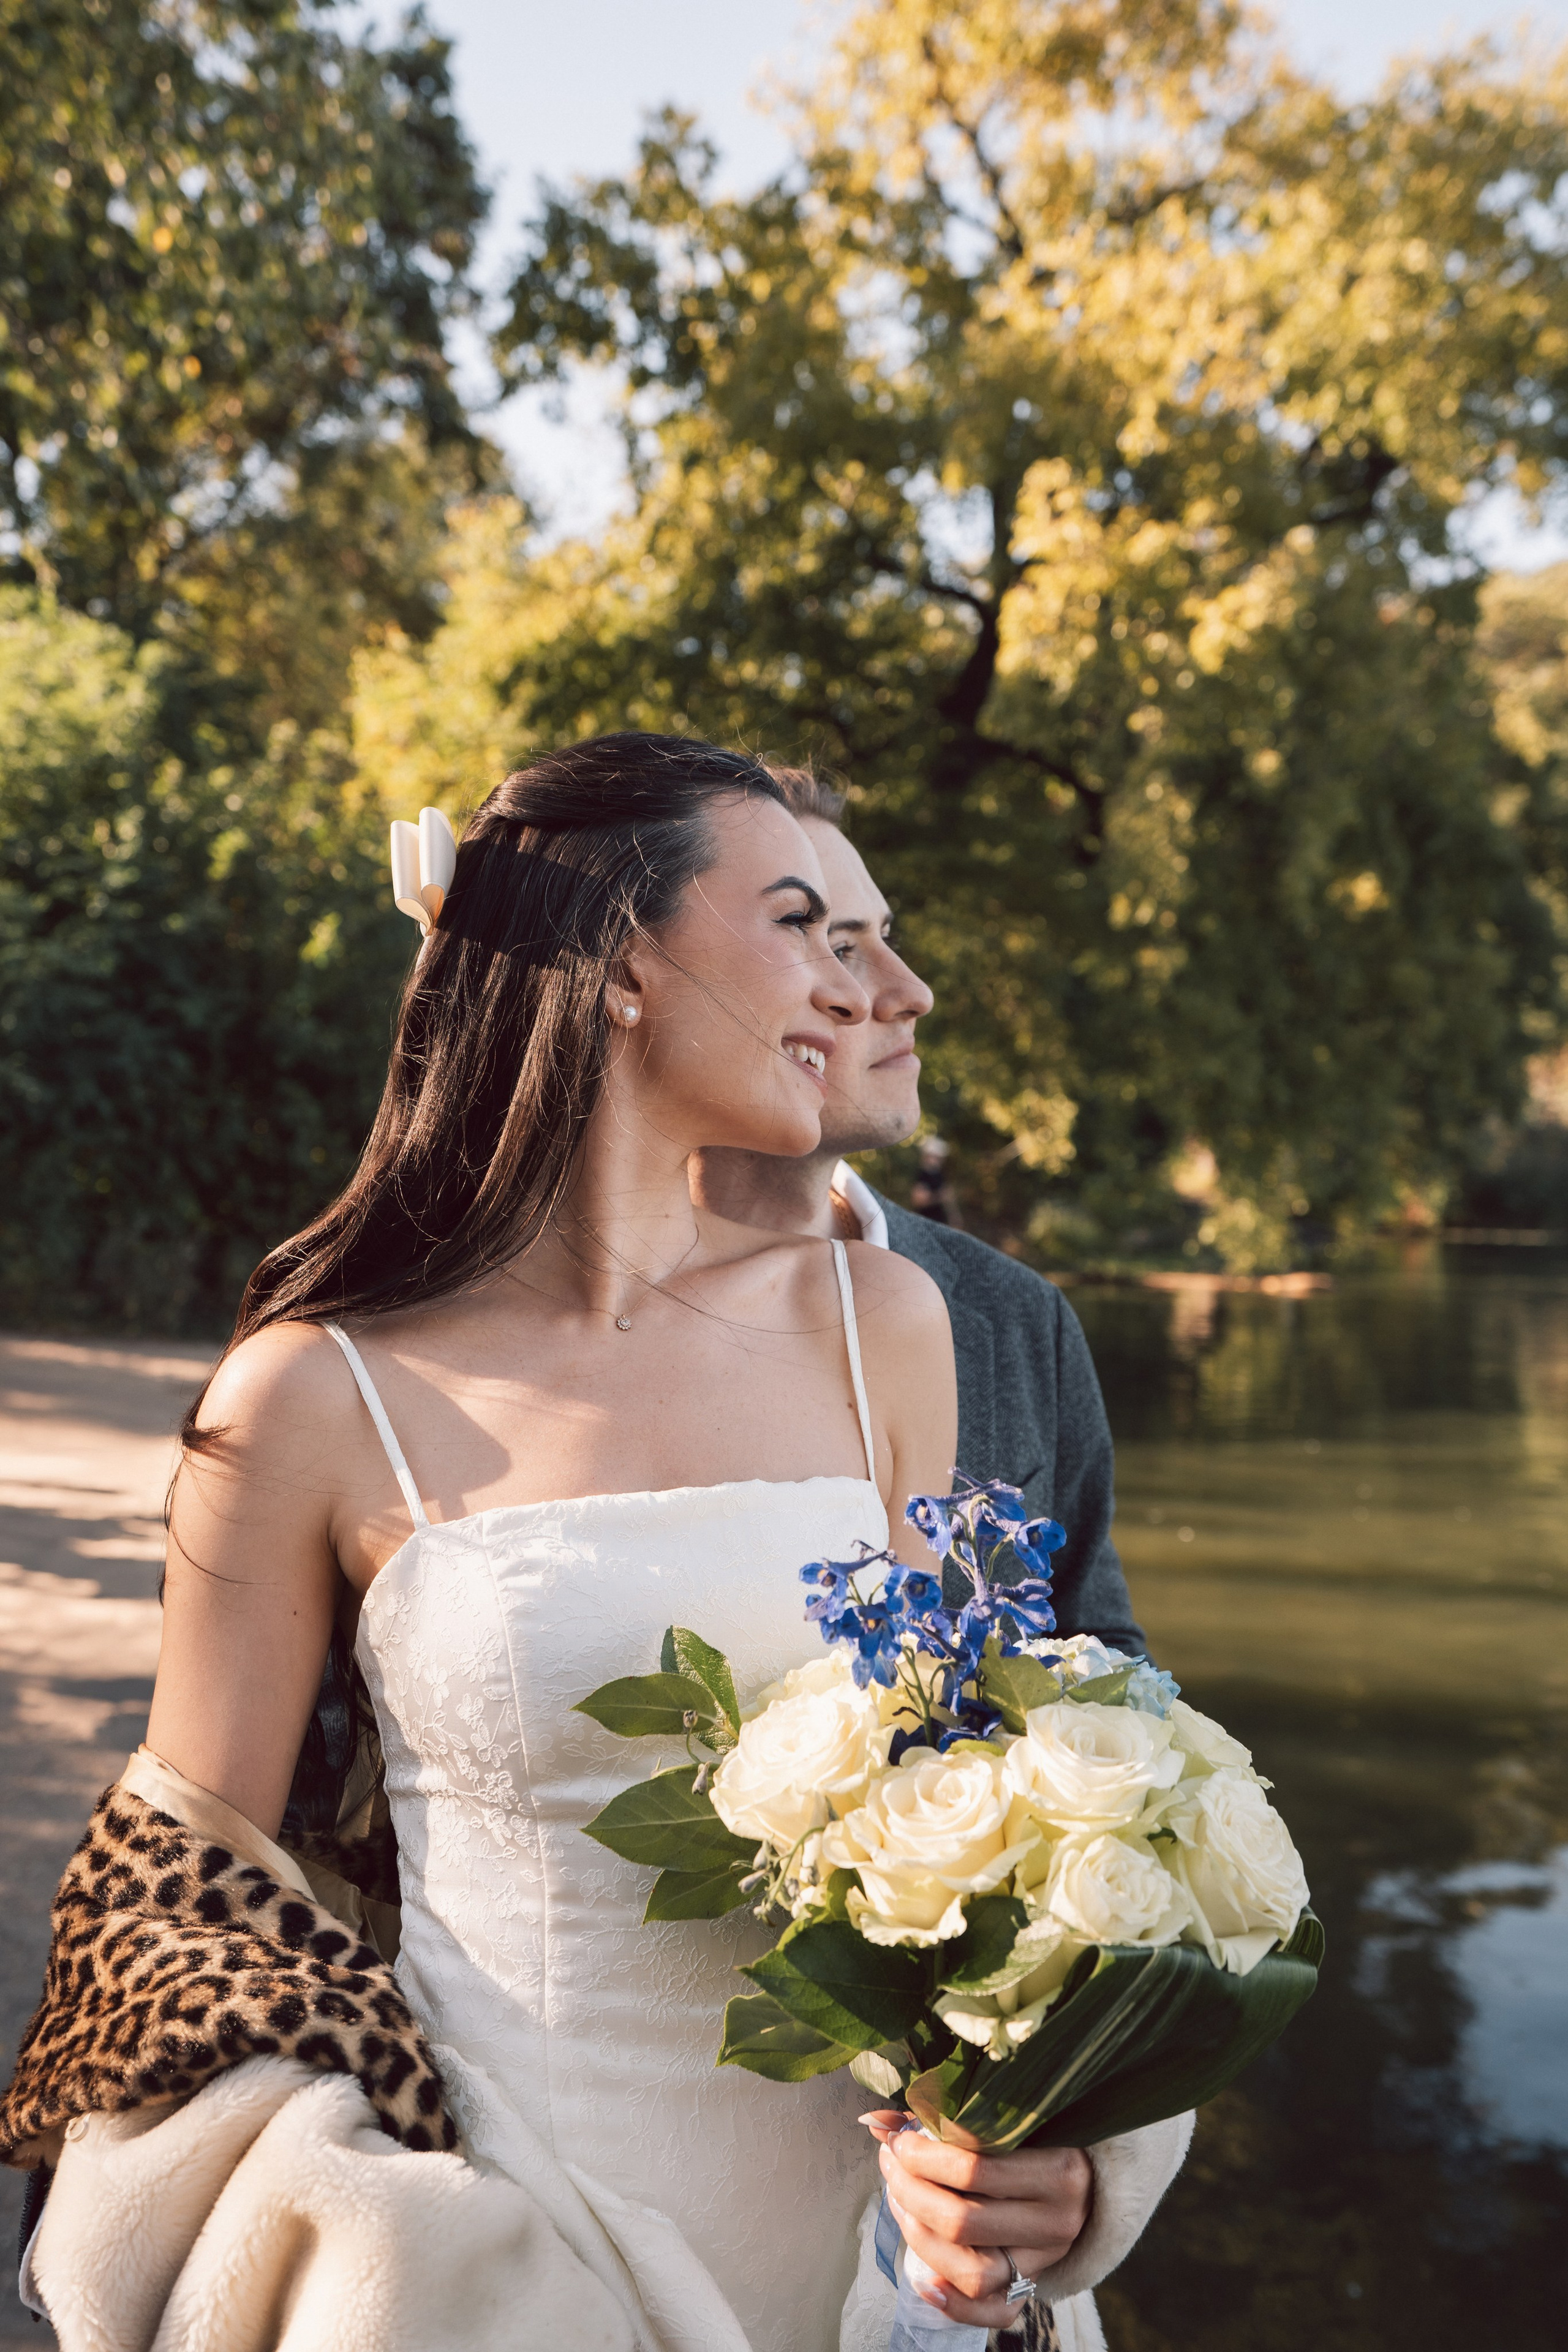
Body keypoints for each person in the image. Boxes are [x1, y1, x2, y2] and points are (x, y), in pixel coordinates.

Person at [23, 737, 1101, 2351]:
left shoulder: (894, 1328)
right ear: (619, 967)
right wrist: (387, 2259)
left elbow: (956, 1795)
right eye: (808, 925)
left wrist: (1054, 2141)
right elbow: (176, 1902)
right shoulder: (313, 1396)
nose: (873, 990)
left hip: (882, 2265)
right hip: (511, 2263)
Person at [690, 766, 1145, 1662]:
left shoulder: (1017, 1320)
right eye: (839, 945)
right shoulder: (537, 1327)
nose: (908, 992)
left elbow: (1103, 1656)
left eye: (880, 936)